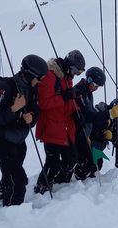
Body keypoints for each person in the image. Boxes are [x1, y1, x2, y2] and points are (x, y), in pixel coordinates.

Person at [0, 54, 47, 206]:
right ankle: (10, 214)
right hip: (1, 139)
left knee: (10, 174)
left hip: (18, 139)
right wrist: (14, 109)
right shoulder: (3, 87)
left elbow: (35, 109)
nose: (40, 81)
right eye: (39, 78)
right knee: (19, 182)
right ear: (29, 74)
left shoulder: (31, 89)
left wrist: (31, 116)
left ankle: (2, 193)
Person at [34, 50, 86, 194]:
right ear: (69, 65)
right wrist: (64, 97)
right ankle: (42, 187)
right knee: (53, 163)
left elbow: (68, 102)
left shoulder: (67, 77)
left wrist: (75, 113)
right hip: (51, 126)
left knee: (71, 159)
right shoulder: (51, 76)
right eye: (76, 70)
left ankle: (60, 184)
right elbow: (44, 103)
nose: (75, 74)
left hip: (65, 127)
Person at [72, 67, 118, 180]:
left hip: (85, 132)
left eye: (98, 87)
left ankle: (78, 181)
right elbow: (88, 115)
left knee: (90, 161)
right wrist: (108, 114)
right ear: (89, 79)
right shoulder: (80, 91)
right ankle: (75, 180)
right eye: (95, 85)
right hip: (78, 131)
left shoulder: (88, 92)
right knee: (87, 161)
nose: (96, 89)